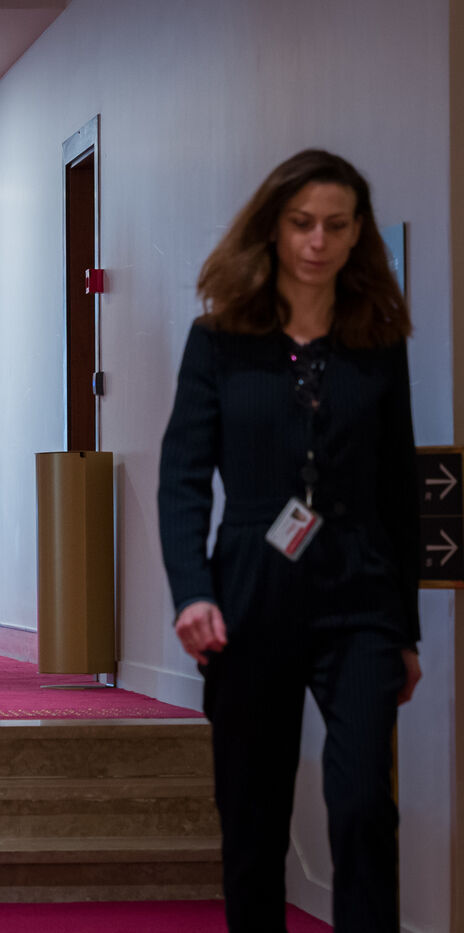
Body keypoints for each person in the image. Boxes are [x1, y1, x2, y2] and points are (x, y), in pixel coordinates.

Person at [158, 149, 422, 933]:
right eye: (302, 223)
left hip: (360, 596)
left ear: (358, 232)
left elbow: (398, 488)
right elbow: (182, 477)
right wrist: (192, 591)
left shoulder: (378, 341)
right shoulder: (218, 341)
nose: (317, 241)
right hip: (250, 593)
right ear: (272, 227)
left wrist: (405, 629)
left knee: (364, 804)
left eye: (336, 226)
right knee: (252, 814)